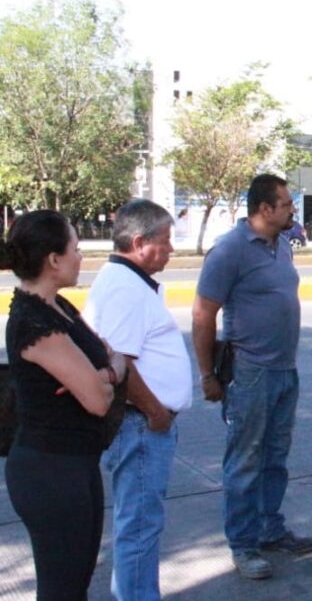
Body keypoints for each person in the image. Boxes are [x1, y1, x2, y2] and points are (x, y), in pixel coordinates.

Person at [192, 174, 312, 580]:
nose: (292, 209)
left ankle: (269, 529)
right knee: (245, 460)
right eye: (285, 203)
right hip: (251, 372)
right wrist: (208, 374)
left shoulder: (281, 245)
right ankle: (243, 546)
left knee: (275, 457)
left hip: (285, 369)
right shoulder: (229, 251)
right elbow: (203, 314)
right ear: (265, 209)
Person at [1, 210, 127, 599]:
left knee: (76, 585)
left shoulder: (61, 309)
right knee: (62, 590)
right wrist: (103, 376)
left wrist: (100, 373)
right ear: (53, 260)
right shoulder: (35, 323)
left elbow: (115, 359)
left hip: (77, 464)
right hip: (49, 471)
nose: (81, 256)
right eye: (75, 247)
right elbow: (97, 402)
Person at [84, 199, 192, 601]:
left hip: (143, 423)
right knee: (140, 528)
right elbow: (121, 363)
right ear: (139, 242)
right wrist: (155, 412)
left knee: (141, 525)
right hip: (140, 424)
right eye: (166, 241)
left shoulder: (128, 282)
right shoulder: (124, 289)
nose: (171, 250)